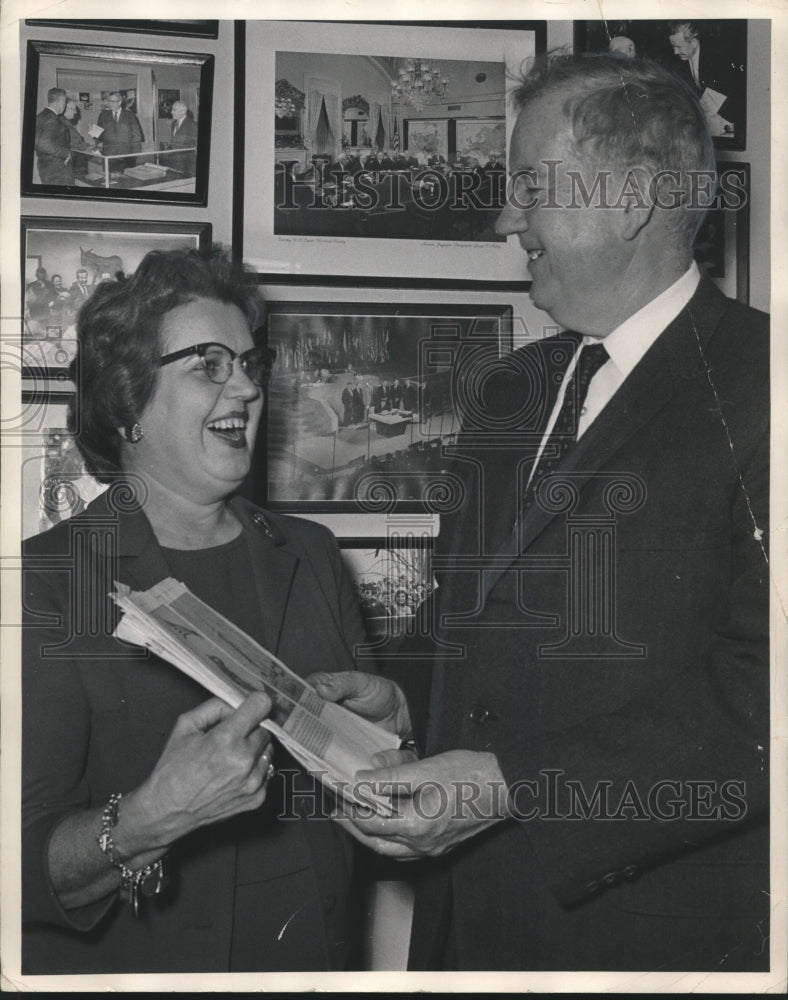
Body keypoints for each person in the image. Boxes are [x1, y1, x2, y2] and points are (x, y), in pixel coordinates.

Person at [311, 52, 770, 971]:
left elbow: (768, 695)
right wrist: (406, 697)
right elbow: (470, 625)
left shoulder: (771, 385)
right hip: (466, 935)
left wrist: (511, 787)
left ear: (631, 197)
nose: (507, 216)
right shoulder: (510, 390)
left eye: (528, 186)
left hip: (650, 948)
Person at [22, 246, 373, 973]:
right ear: (127, 403)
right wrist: (149, 818)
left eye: (250, 364)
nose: (245, 388)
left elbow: (368, 782)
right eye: (210, 365)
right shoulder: (47, 582)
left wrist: (391, 729)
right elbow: (16, 867)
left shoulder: (308, 550)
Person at [668, 21, 744, 137]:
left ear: (693, 42)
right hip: (707, 116)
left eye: (679, 47)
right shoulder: (681, 60)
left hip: (729, 118)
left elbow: (730, 91)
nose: (675, 52)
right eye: (673, 46)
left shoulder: (718, 55)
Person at [34, 87, 72, 185]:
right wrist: (65, 153)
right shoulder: (53, 119)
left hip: (44, 164)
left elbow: (37, 142)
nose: (64, 105)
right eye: (65, 102)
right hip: (56, 168)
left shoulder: (40, 116)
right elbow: (44, 144)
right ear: (61, 101)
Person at [97, 91, 144, 168]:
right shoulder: (103, 115)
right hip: (109, 156)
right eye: (109, 101)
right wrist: (93, 133)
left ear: (119, 102)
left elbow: (137, 136)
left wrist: (136, 155)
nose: (110, 104)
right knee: (110, 178)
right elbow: (99, 136)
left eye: (113, 101)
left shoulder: (130, 115)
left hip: (127, 155)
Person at [162, 100, 198, 176]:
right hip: (174, 162)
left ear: (183, 111)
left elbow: (194, 146)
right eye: (172, 110)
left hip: (186, 164)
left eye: (174, 110)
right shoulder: (174, 123)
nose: (171, 112)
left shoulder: (192, 125)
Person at [62, 98, 96, 179]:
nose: (76, 112)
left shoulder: (64, 122)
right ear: (64, 108)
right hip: (75, 164)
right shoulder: (65, 124)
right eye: (73, 109)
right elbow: (78, 145)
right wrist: (92, 147)